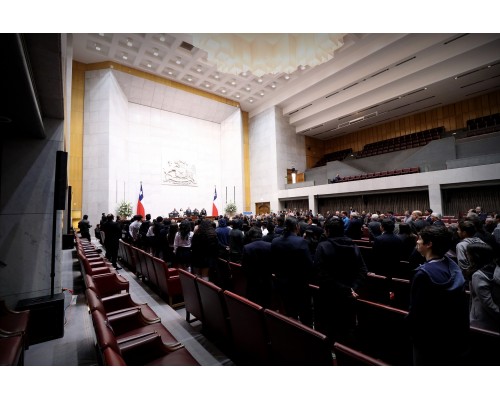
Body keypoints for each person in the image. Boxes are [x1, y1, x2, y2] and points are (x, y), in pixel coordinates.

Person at [406, 225, 470, 365]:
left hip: (429, 341)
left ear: (429, 244)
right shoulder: (451, 265)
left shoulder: (423, 274)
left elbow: (418, 314)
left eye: (420, 239)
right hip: (452, 335)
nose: (417, 241)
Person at [314, 217, 367, 344]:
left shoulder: (323, 246)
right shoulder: (353, 245)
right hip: (350, 295)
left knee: (329, 331)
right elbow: (363, 270)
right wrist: (353, 287)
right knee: (348, 329)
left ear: (327, 231)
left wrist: (345, 288)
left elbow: (320, 274)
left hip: (330, 296)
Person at [271, 217, 315, 327]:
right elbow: (309, 266)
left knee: (290, 313)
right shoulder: (301, 242)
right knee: (305, 316)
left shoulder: (275, 241)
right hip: (299, 285)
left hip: (282, 284)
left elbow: (274, 262)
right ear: (297, 227)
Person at [466, 242, 500, 332]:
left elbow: (488, 304)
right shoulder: (495, 268)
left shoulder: (479, 275)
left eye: (468, 254)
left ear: (475, 256)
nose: (467, 256)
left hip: (483, 320)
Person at [241, 226, 273, 308]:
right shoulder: (270, 245)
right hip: (267, 280)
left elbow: (244, 266)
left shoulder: (247, 247)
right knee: (267, 304)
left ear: (250, 236)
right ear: (261, 234)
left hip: (253, 281)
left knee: (253, 306)